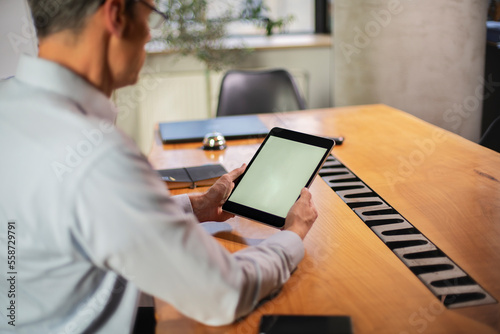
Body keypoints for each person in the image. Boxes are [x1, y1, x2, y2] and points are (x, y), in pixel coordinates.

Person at [0, 0, 318, 332]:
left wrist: (198, 205)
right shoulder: (98, 158)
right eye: (151, 14)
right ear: (117, 14)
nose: (150, 34)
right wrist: (293, 236)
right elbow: (222, 293)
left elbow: (97, 217)